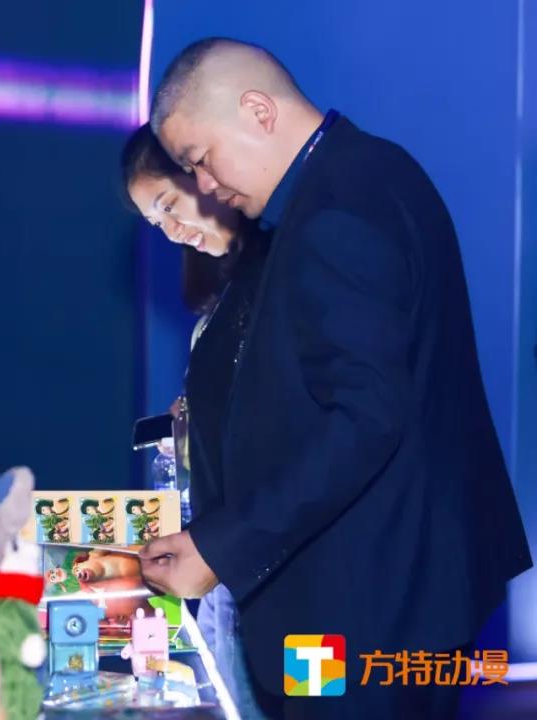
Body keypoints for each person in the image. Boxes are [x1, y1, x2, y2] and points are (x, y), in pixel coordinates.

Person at [139, 38, 532, 719]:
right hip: (367, 590)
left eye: (200, 159)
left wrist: (221, 546)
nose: (203, 186)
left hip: (364, 608)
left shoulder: (337, 211)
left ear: (258, 111)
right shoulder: (359, 174)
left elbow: (364, 419)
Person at [122, 122, 269, 720]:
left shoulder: (275, 283)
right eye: (155, 222)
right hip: (226, 546)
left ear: (204, 176)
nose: (171, 230)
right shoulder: (223, 299)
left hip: (268, 552)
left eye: (168, 205)